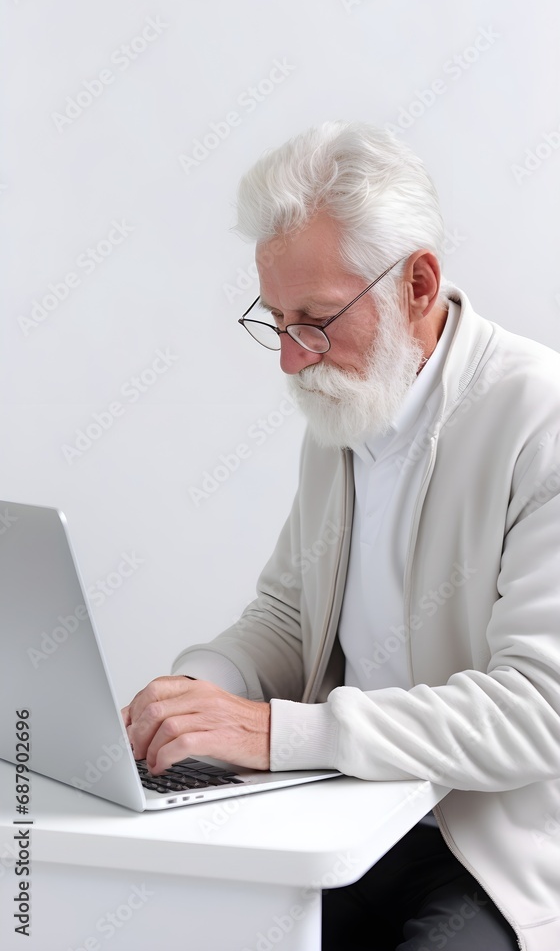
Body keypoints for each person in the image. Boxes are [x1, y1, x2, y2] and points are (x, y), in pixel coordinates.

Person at [122, 122, 560, 950]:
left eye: (316, 320)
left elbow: (541, 710)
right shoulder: (344, 404)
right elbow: (288, 614)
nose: (291, 360)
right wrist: (188, 699)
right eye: (277, 321)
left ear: (418, 285)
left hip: (496, 850)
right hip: (350, 819)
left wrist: (275, 733)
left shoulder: (540, 419)